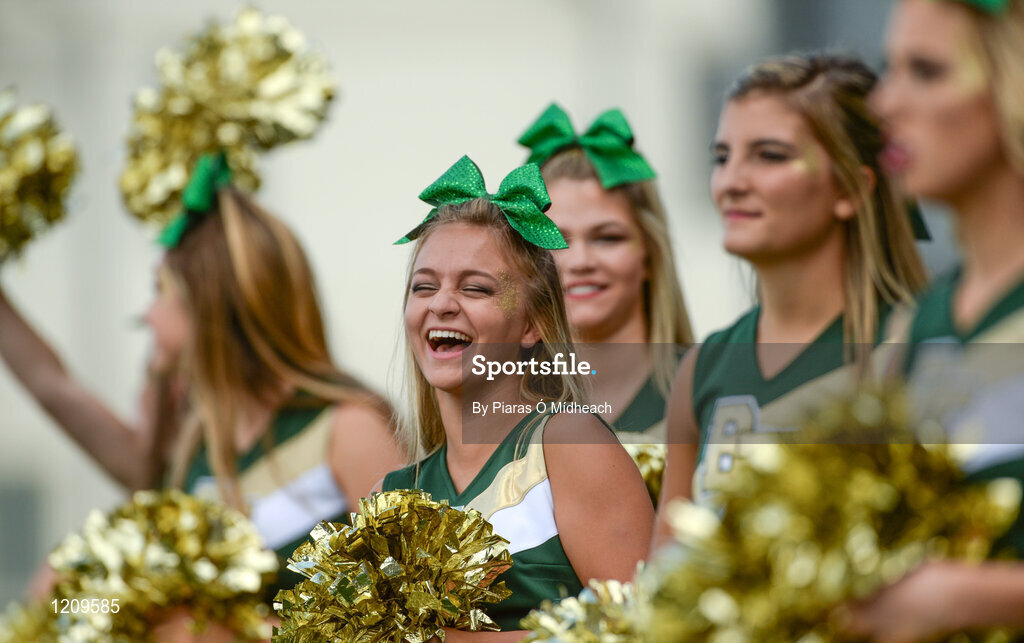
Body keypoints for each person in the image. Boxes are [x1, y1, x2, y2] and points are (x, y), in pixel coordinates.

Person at [0, 153, 404, 599]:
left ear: (212, 303)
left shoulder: (348, 430)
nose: (147, 316)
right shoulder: (193, 444)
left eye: (160, 290)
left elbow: (412, 614)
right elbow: (54, 387)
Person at [652, 54, 928, 548]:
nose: (732, 182)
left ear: (850, 188)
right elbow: (662, 587)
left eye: (770, 155)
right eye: (722, 157)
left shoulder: (912, 344)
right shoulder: (702, 369)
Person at [380, 155, 653, 640]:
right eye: (424, 286)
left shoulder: (567, 442)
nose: (441, 303)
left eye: (476, 288)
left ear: (533, 325)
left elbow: (647, 628)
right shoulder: (396, 493)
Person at [841, 0, 1024, 639]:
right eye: (890, 69)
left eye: (927, 70)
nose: (885, 103)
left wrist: (979, 597)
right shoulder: (917, 324)